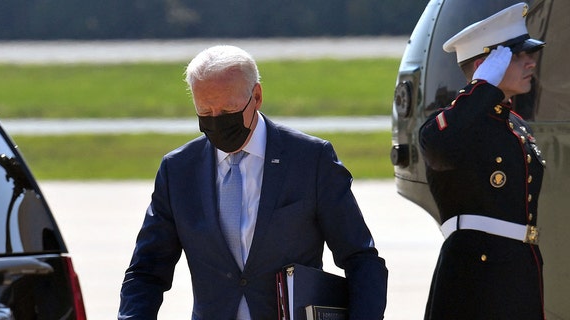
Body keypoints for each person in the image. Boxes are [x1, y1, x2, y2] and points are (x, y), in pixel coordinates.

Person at [118, 45, 388, 319]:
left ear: (256, 96)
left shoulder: (310, 160)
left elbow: (361, 259)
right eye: (205, 112)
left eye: (228, 110)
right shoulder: (178, 171)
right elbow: (147, 271)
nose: (217, 121)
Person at [419, 3, 546, 319]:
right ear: (485, 66)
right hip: (476, 277)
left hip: (518, 268)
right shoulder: (453, 125)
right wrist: (481, 90)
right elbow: (436, 145)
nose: (531, 62)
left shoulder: (514, 125)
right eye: (517, 56)